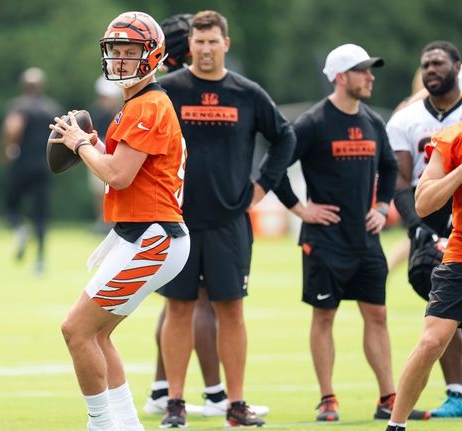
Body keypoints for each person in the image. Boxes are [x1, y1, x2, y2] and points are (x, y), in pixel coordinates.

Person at [49, 11, 190, 431]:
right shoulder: (138, 104)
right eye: (116, 51)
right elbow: (121, 167)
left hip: (153, 237)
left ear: (154, 56)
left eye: (131, 52)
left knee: (76, 330)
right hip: (140, 234)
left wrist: (79, 144)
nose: (121, 60)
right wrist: (93, 144)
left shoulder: (147, 104)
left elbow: (117, 174)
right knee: (95, 334)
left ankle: (102, 424)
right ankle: (125, 424)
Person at [155, 10, 296, 428]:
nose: (205, 48)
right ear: (190, 46)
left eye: (213, 41)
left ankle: (235, 406)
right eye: (198, 41)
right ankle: (175, 404)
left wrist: (261, 186)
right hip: (176, 220)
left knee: (230, 310)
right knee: (178, 309)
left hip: (230, 222)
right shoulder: (168, 90)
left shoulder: (247, 93)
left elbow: (285, 136)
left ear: (225, 45)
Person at [273, 43, 427, 423]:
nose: (371, 77)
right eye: (363, 71)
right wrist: (300, 209)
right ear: (341, 77)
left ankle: (388, 397)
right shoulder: (312, 122)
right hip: (324, 242)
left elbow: (390, 169)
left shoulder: (373, 122)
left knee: (377, 315)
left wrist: (380, 207)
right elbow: (274, 167)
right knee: (324, 317)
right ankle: (328, 398)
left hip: (366, 241)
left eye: (371, 70)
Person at [387, 40, 462, 418]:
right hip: (438, 228)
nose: (432, 69)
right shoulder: (409, 120)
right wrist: (419, 228)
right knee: (436, 329)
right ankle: (453, 392)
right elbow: (406, 186)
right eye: (426, 64)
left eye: (439, 63)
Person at [1, 67, 62, 274]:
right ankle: (40, 260)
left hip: (23, 164)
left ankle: (19, 229)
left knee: (11, 204)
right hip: (45, 166)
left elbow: (13, 128)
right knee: (41, 214)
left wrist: (8, 150)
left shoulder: (19, 106)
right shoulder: (51, 108)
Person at [87, 76, 122, 234]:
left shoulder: (121, 112)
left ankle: (113, 220)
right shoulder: (95, 113)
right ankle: (103, 219)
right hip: (98, 151)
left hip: (116, 153)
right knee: (98, 190)